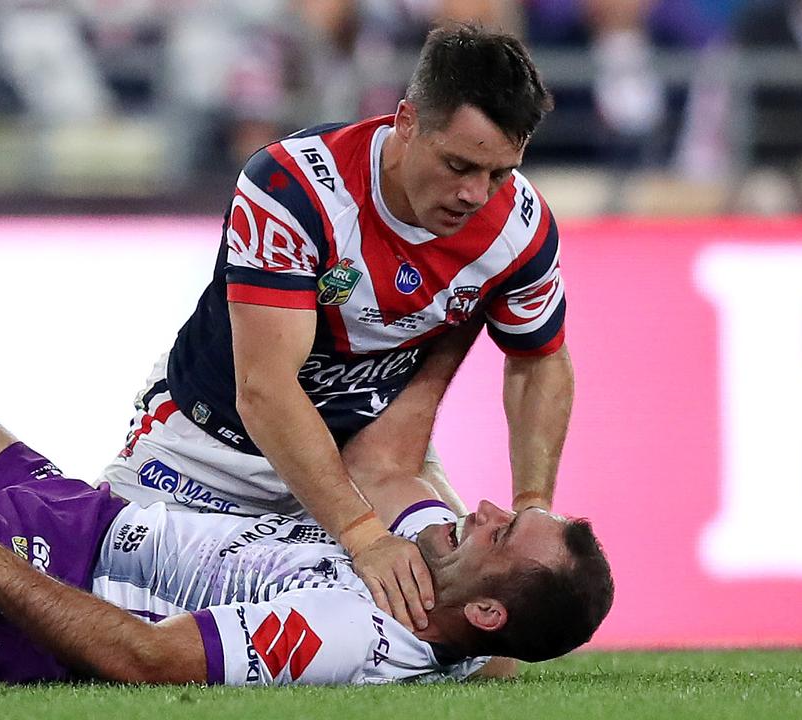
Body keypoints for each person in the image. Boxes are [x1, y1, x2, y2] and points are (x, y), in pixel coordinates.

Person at [0, 362, 614, 685]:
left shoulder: (350, 636)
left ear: (488, 604)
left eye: (501, 532)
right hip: (79, 512)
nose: (489, 510)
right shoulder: (457, 610)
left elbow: (147, 660)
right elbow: (511, 637)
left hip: (22, 591)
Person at [100, 22, 575, 634]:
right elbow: (265, 390)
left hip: (371, 462)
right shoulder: (294, 189)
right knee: (82, 624)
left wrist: (533, 507)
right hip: (207, 455)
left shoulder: (519, 225)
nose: (475, 194)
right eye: (459, 164)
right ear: (405, 121)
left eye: (500, 173)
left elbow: (539, 359)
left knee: (488, 644)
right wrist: (362, 536)